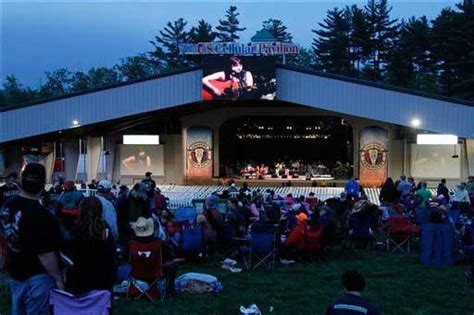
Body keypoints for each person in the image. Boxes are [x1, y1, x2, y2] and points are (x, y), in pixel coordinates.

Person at [2, 163, 63, 314]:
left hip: (15, 275)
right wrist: (58, 279)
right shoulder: (43, 216)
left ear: (22, 181)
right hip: (37, 278)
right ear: (42, 184)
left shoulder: (8, 206)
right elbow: (45, 254)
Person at [63, 196, 116, 295]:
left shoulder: (77, 231)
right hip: (102, 284)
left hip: (79, 283)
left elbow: (67, 256)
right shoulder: (105, 229)